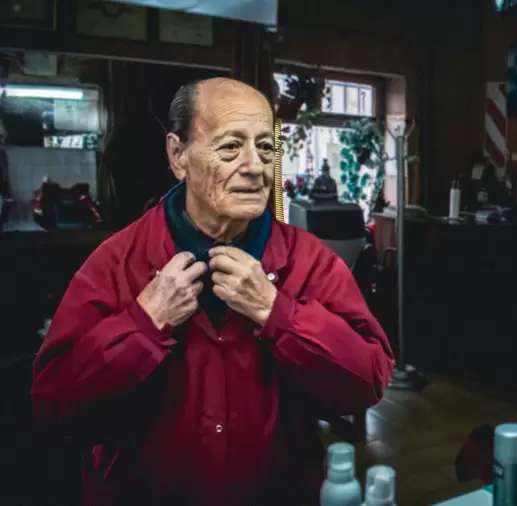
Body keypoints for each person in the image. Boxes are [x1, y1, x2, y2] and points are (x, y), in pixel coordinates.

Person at [31, 78, 394, 505]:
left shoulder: (309, 260)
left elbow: (367, 381)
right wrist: (142, 326)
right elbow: (56, 408)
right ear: (178, 154)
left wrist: (280, 315)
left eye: (265, 148)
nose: (255, 166)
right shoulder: (117, 261)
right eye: (230, 147)